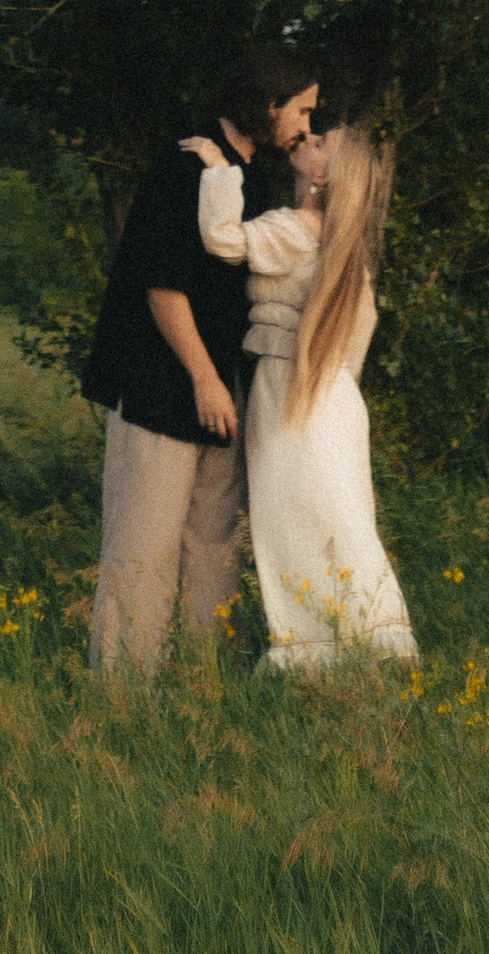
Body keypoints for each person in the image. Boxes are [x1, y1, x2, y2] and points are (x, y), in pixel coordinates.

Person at [80, 42, 319, 672]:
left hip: (227, 387)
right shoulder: (184, 163)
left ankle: (207, 680)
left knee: (214, 543)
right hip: (164, 383)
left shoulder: (258, 175)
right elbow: (162, 286)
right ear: (268, 104)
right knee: (144, 546)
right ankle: (123, 696)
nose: (306, 126)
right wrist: (204, 380)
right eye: (301, 110)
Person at [183, 117, 417, 669]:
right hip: (330, 397)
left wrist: (218, 172)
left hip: (291, 388)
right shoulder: (341, 243)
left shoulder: (296, 227)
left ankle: (315, 654)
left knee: (292, 519)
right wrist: (334, 395)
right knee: (339, 517)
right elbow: (364, 324)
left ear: (325, 178)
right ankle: (366, 647)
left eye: (320, 144)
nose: (307, 138)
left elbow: (222, 239)